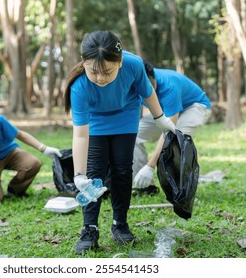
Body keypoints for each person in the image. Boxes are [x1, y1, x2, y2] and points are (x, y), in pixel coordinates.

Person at [64, 30, 176, 254]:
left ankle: (120, 224)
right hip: (95, 123)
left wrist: (161, 119)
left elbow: (147, 93)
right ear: (84, 62)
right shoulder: (80, 87)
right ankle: (89, 229)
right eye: (93, 71)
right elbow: (80, 135)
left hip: (125, 116)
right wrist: (79, 175)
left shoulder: (133, 65)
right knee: (94, 175)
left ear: (120, 61)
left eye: (107, 71)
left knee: (123, 171)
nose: (100, 78)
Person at [132, 60, 211, 190]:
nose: (147, 91)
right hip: (164, 110)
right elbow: (137, 110)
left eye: (151, 85)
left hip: (194, 106)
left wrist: (150, 166)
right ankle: (144, 185)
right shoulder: (134, 84)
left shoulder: (169, 86)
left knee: (177, 140)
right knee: (132, 135)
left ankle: (182, 189)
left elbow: (168, 132)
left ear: (154, 78)